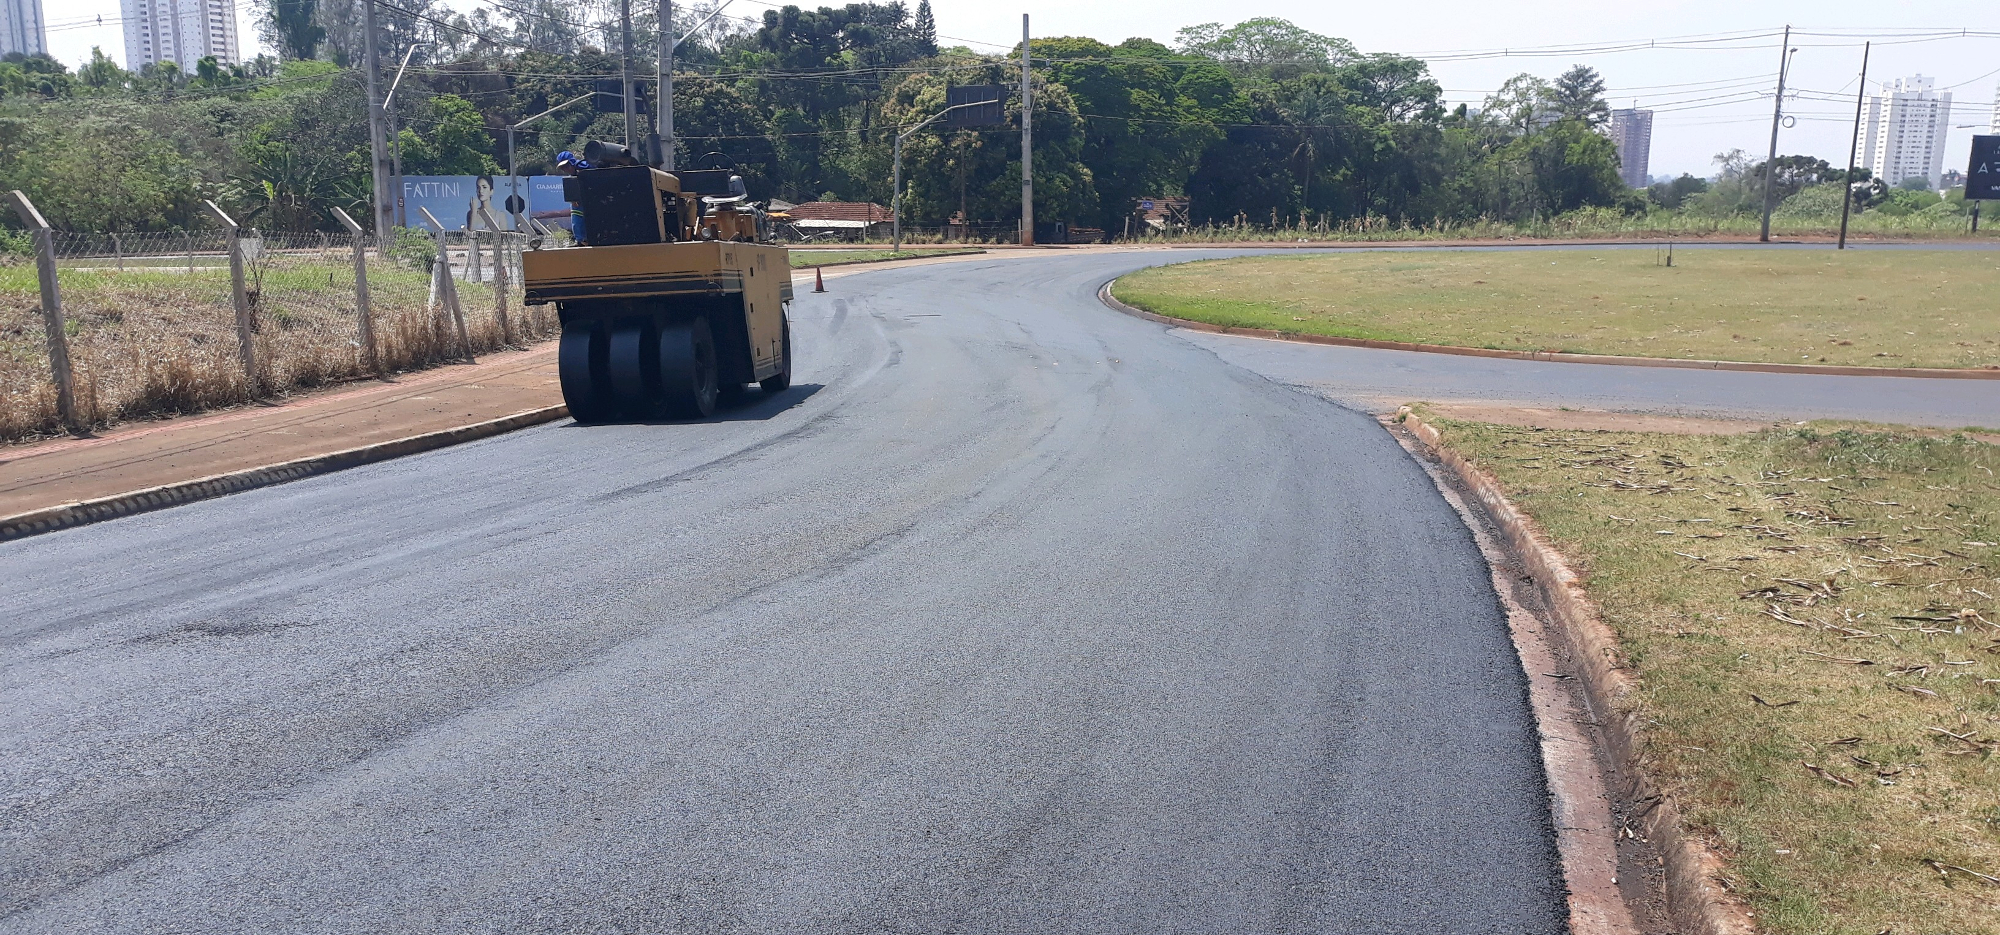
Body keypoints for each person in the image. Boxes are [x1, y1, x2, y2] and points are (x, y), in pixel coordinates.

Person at [555, 151, 590, 245]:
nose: (565, 169)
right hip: (583, 200)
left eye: (567, 166)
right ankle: (581, 239)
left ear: (572, 162)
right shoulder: (571, 177)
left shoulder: (582, 166)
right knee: (575, 211)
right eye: (563, 168)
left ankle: (583, 238)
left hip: (595, 198)